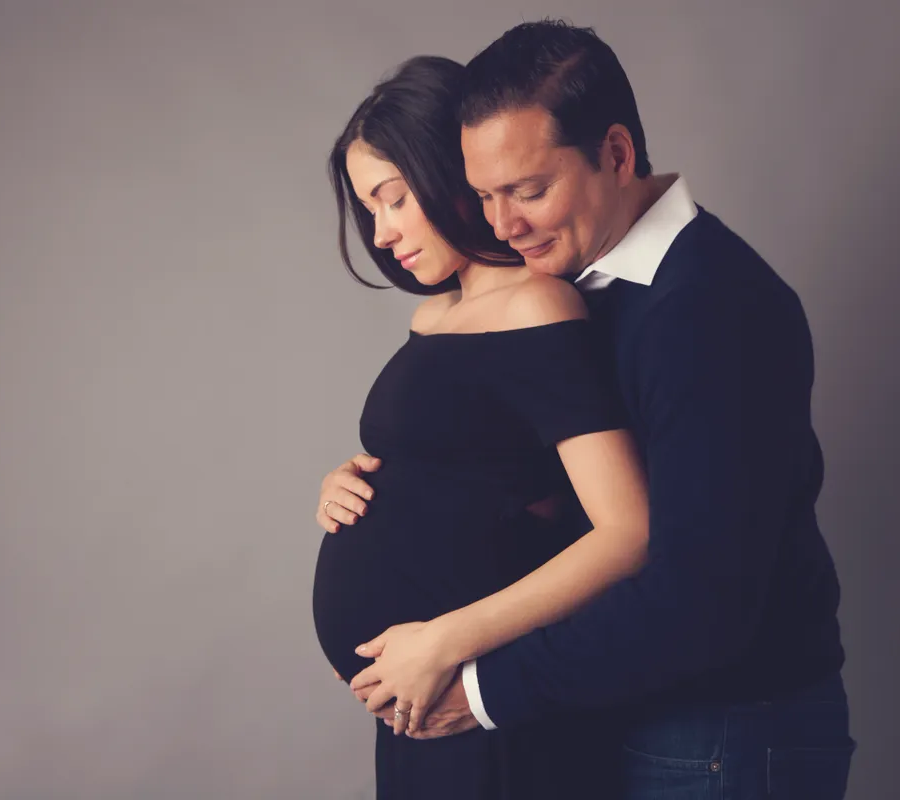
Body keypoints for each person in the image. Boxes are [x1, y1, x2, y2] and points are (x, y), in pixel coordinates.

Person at [319, 20, 855, 800]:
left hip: (725, 729)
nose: (502, 225)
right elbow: (545, 481)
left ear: (617, 154)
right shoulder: (587, 284)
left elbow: (698, 596)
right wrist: (393, 490)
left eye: (529, 190)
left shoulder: (712, 306)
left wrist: (478, 685)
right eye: (484, 196)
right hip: (630, 713)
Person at [311, 54, 651, 799]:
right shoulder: (434, 316)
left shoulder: (537, 306)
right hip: (415, 706)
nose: (381, 232)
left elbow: (626, 530)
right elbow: (464, 464)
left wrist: (442, 642)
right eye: (369, 210)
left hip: (483, 703)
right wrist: (354, 483)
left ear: (450, 171)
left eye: (394, 200)